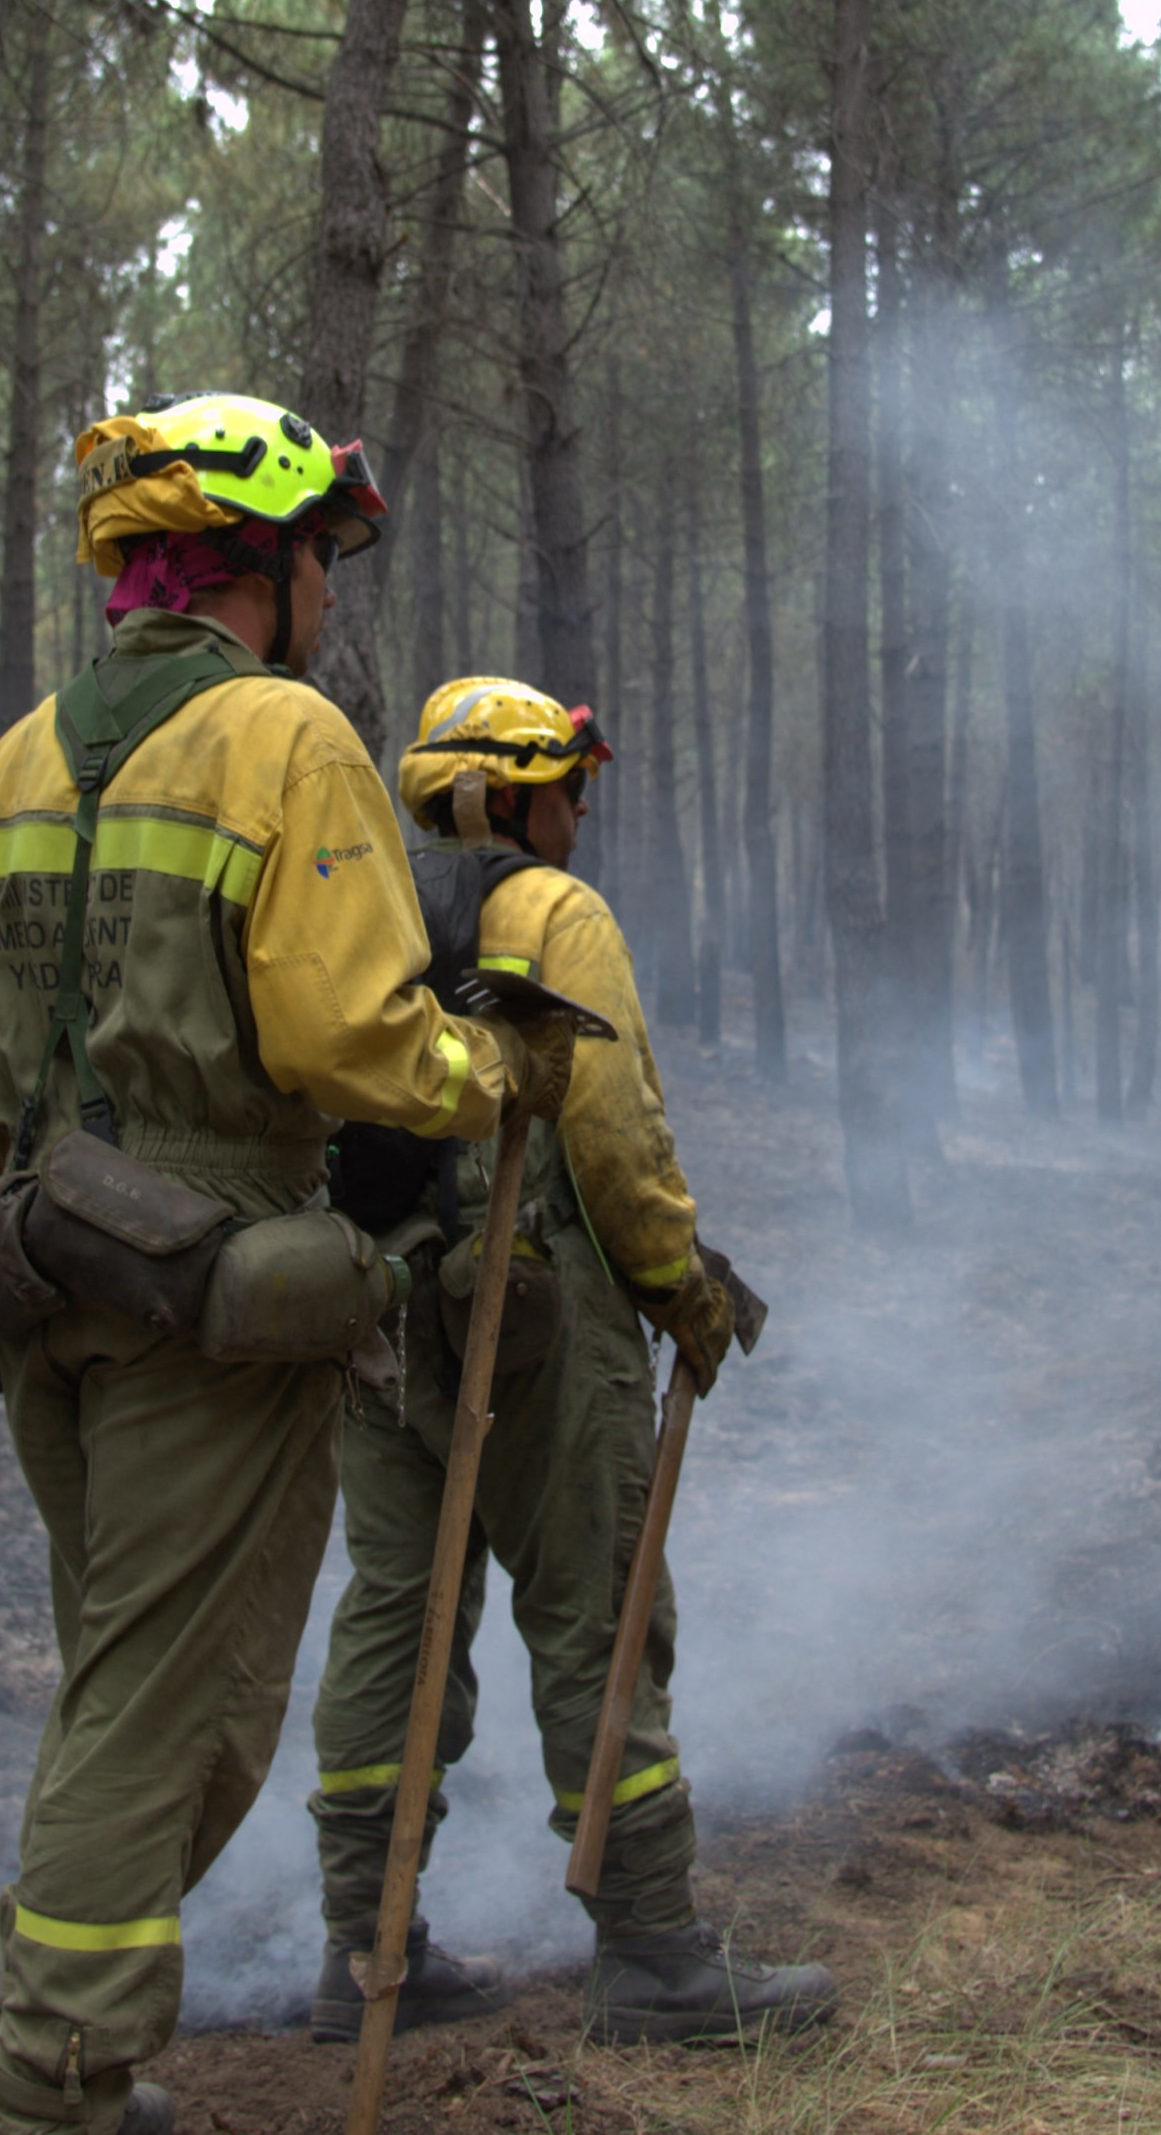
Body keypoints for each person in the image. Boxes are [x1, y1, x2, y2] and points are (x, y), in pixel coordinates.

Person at [0, 393, 558, 2135]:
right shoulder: (283, 739)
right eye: (325, 559)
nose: (334, 597)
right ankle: (56, 2089)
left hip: (37, 1289)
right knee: (175, 1719)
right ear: (267, 563)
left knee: (118, 1682)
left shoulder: (14, 757)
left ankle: (77, 2059)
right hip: (202, 1288)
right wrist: (492, 1072)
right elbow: (350, 1039)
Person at [302, 677, 836, 2043]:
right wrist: (678, 1288)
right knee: (598, 1609)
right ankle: (654, 1951)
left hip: (369, 1316)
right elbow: (608, 1132)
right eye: (568, 788)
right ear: (503, 793)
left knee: (395, 1613)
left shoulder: (353, 900)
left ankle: (366, 1949)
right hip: (530, 1310)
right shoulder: (554, 914)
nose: (582, 815)